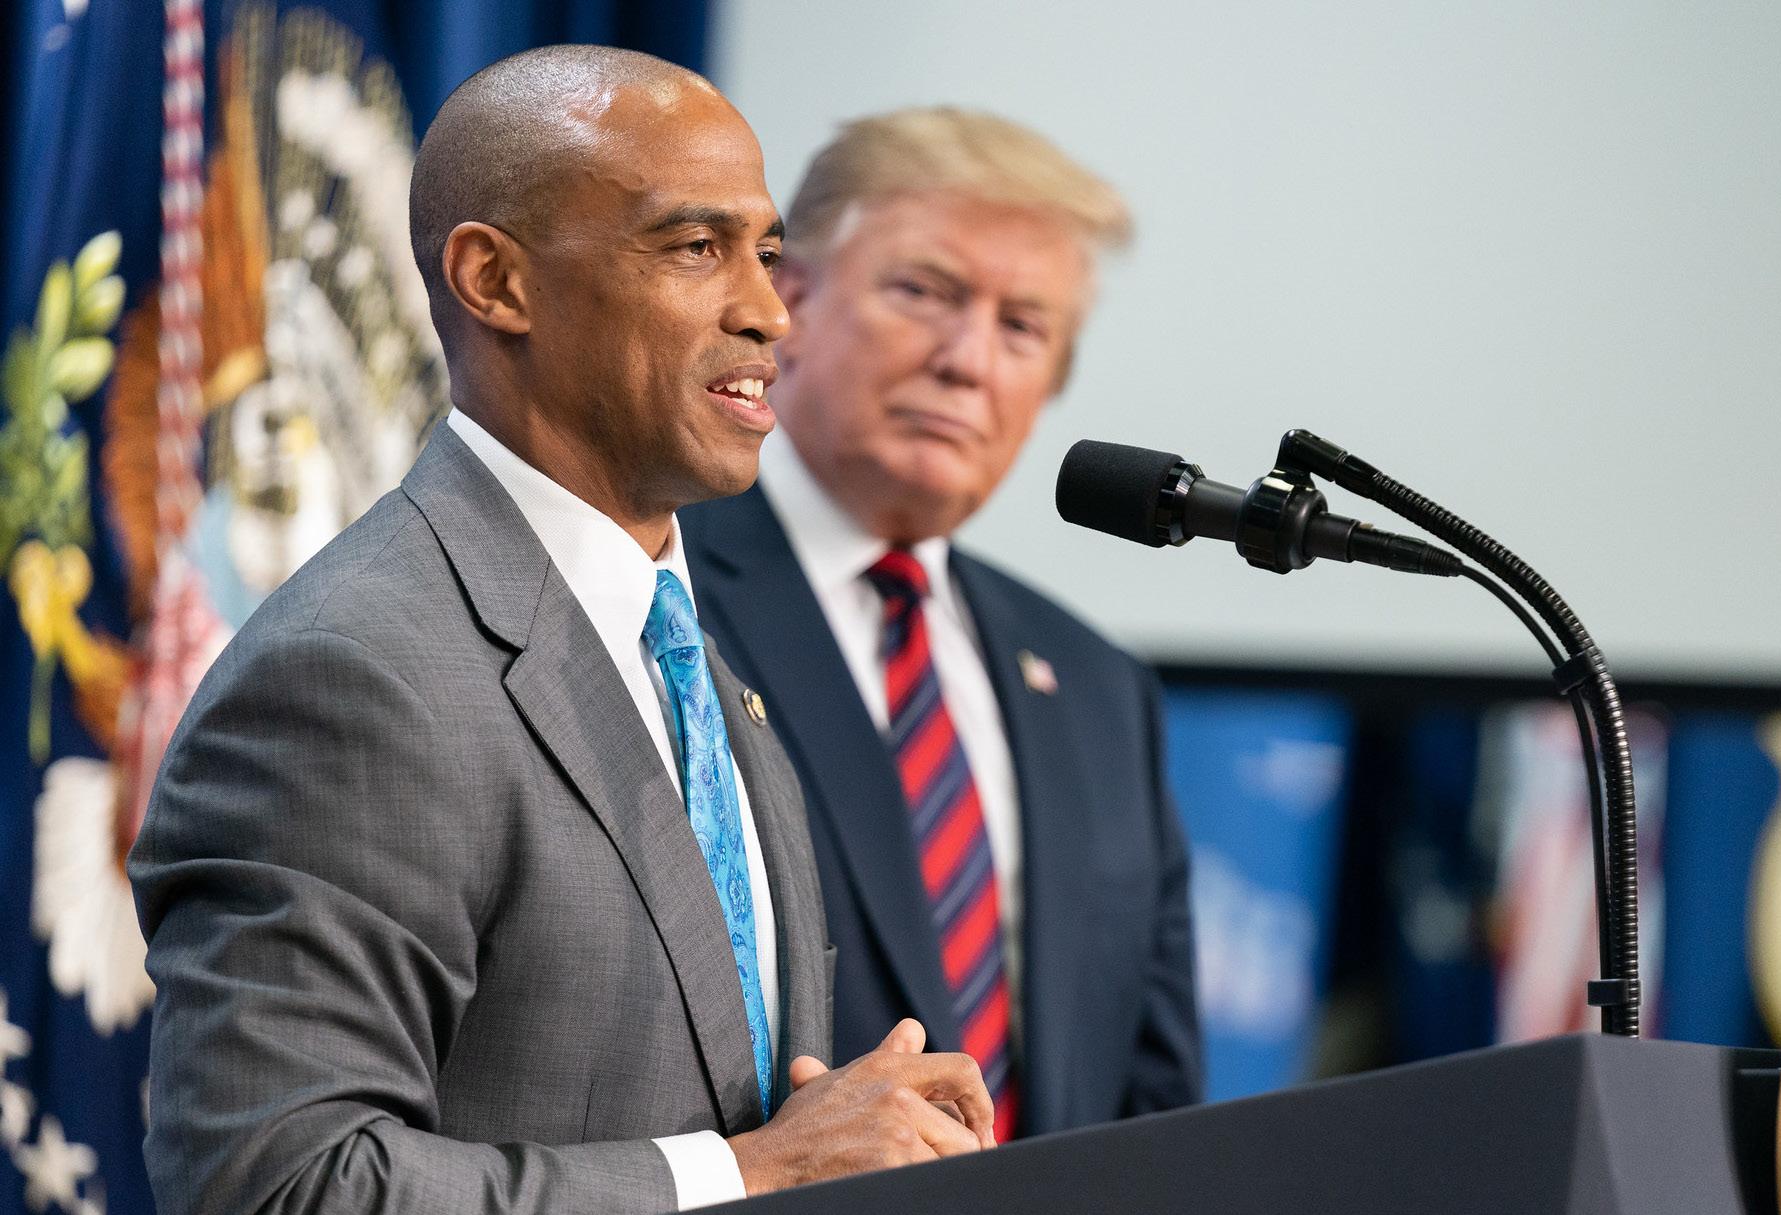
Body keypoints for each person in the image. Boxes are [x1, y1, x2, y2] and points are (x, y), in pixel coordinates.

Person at [128, 47, 994, 1215]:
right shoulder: (351, 674)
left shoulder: (690, 653)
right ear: (496, 282)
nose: (768, 311)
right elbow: (278, 1183)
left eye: (767, 252)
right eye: (696, 248)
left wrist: (849, 1136)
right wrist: (751, 1171)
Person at [679, 107, 1202, 1141]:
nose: (969, 360)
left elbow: (1159, 1112)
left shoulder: (1101, 688)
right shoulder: (661, 588)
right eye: (923, 292)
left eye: (1022, 327)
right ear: (789, 301)